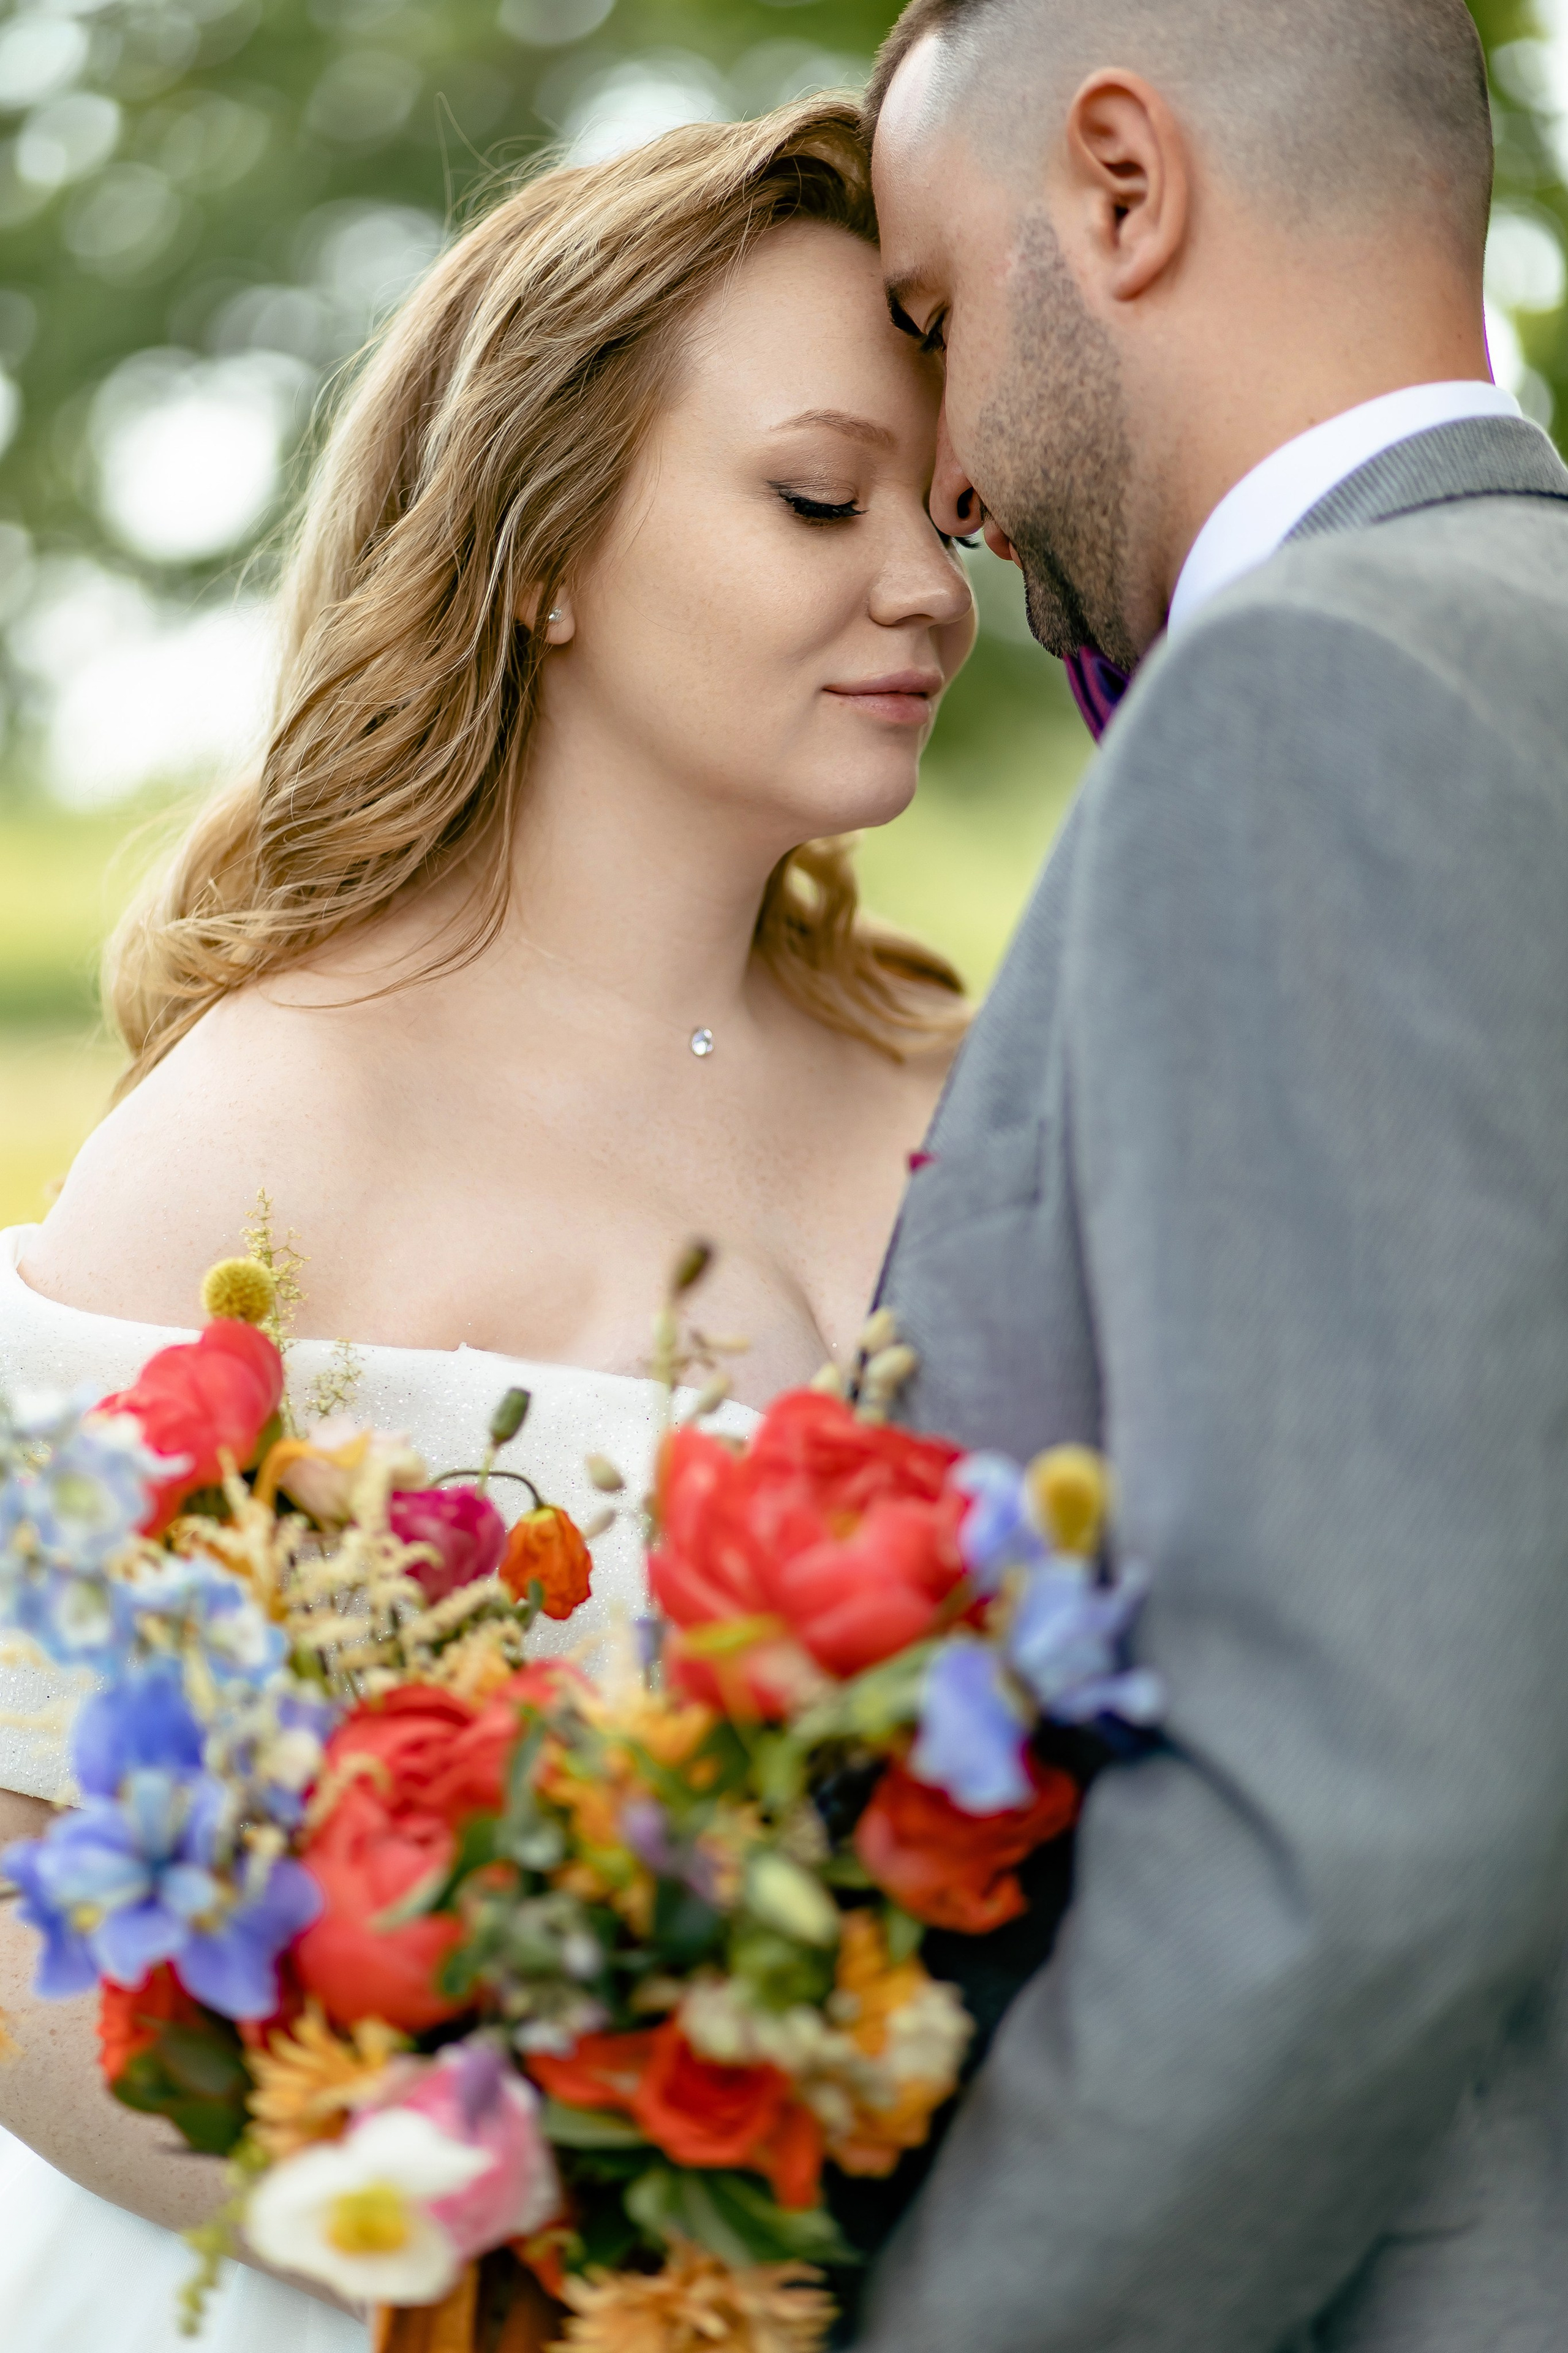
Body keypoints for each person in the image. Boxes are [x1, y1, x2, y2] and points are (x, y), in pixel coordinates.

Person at [0, 97, 975, 2349]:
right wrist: (528, 2239)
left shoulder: (974, 1084)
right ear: (543, 548)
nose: (925, 581)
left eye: (944, 506)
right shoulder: (267, 1132)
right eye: (823, 496)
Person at [859, 4, 1568, 2350]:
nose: (947, 478)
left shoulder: (1311, 697)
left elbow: (1351, 1825)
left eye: (940, 319)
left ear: (1127, 189)